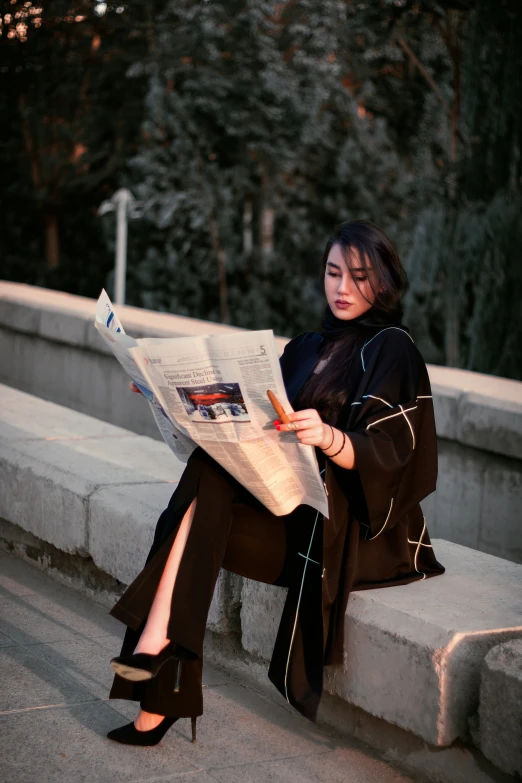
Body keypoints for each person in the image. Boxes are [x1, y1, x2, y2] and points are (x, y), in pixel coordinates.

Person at [106, 219, 445, 746]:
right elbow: (243, 435)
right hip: (287, 516)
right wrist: (166, 401)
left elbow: (397, 451)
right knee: (212, 468)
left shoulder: (391, 349)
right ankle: (159, 662)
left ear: (384, 282)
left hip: (347, 535)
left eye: (358, 277)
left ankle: (154, 653)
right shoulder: (306, 347)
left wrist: (331, 438)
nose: (342, 288)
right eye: (333, 273)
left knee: (198, 498)